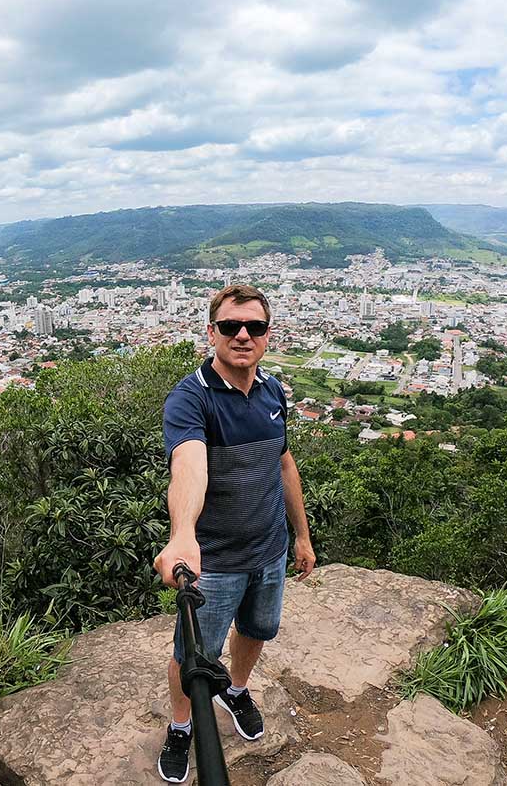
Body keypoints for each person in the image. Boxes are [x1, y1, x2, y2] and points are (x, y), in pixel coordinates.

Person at [152, 284, 316, 783]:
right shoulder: (191, 398)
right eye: (230, 326)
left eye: (255, 327)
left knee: (257, 630)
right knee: (193, 653)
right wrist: (183, 534)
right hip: (215, 559)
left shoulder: (273, 390)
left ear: (267, 336)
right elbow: (189, 466)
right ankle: (182, 726)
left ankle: (238, 689)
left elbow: (283, 462)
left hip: (268, 549)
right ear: (212, 333)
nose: (243, 335)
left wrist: (302, 536)